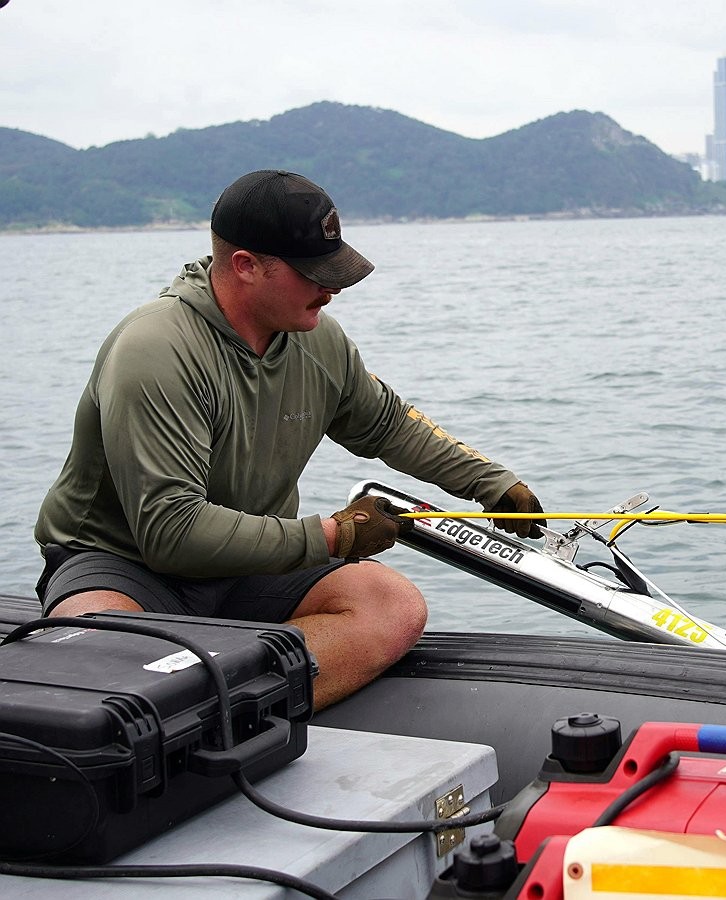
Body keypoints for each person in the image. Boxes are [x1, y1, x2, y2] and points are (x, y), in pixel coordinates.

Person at [33, 169, 545, 710]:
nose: (334, 287)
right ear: (246, 266)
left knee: (392, 604)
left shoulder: (318, 339)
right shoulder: (156, 349)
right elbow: (171, 531)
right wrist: (333, 536)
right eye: (313, 273)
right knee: (93, 651)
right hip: (125, 562)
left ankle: (224, 716)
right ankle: (203, 712)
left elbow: (387, 424)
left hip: (248, 567)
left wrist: (492, 485)